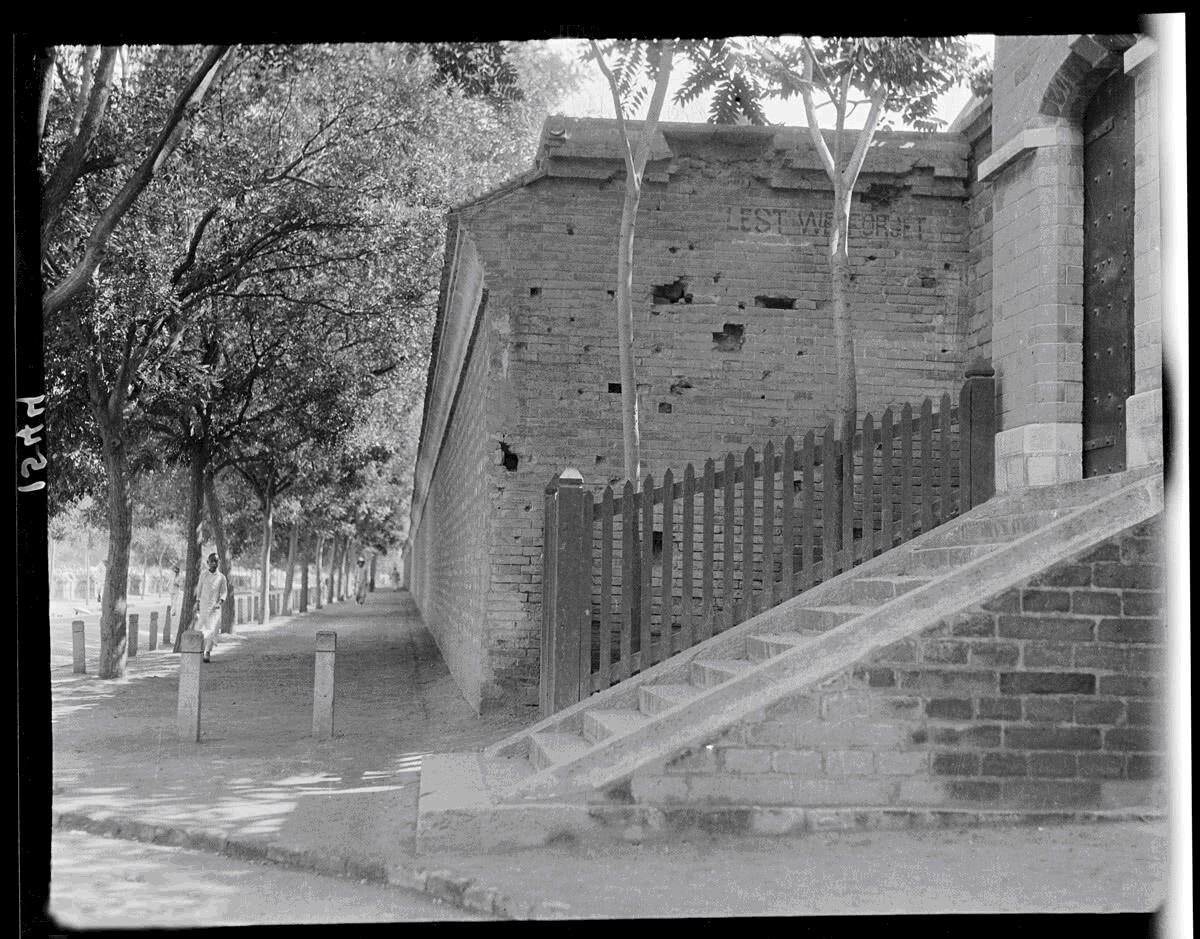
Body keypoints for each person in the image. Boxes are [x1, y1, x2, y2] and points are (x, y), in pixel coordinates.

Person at [194, 553, 227, 663]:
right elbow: (199, 589)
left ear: (218, 563)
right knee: (199, 629)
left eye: (216, 561)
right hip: (203, 606)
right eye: (211, 561)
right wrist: (197, 604)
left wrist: (220, 602)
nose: (213, 563)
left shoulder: (221, 577)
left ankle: (207, 652)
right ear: (207, 562)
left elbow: (224, 592)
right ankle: (197, 651)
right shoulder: (203, 575)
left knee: (211, 630)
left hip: (215, 608)